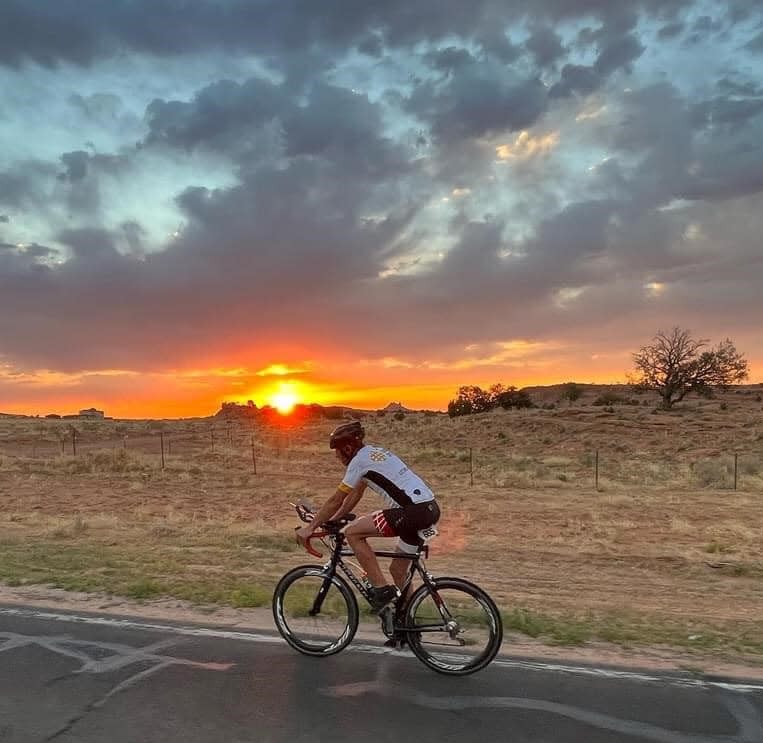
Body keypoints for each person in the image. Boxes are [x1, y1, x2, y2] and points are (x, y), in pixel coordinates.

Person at [295, 420, 440, 617]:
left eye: (337, 451)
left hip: (412, 511)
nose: (336, 456)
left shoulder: (359, 462)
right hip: (428, 508)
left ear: (347, 448)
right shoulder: (373, 454)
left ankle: (381, 590)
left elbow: (336, 499)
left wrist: (310, 527)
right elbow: (355, 494)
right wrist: (335, 519)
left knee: (353, 533)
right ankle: (406, 625)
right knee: (398, 571)